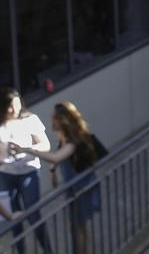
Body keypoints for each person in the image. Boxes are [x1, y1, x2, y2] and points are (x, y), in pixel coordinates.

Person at [17, 103, 107, 254]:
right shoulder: (64, 138)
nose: (52, 121)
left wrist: (27, 149)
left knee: (77, 226)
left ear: (64, 120)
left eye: (55, 118)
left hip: (82, 188)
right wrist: (53, 171)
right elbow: (59, 159)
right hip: (75, 188)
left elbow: (55, 157)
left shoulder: (74, 141)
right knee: (77, 226)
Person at [0, 88, 51, 254]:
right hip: (5, 174)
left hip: (28, 172)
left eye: (17, 106)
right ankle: (21, 250)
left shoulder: (30, 119)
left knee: (33, 214)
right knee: (13, 218)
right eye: (10, 107)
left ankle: (48, 250)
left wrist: (26, 149)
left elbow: (45, 145)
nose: (14, 111)